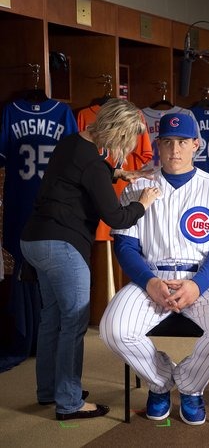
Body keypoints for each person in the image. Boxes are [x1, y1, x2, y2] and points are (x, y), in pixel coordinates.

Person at [100, 112, 209, 425]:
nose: (175, 149)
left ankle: (190, 385)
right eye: (167, 142)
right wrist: (149, 281)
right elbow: (126, 246)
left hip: (201, 278)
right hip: (151, 277)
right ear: (158, 145)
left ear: (196, 144)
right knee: (113, 330)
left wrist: (197, 285)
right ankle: (160, 381)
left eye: (182, 141)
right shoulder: (138, 186)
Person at [20, 98, 161, 421]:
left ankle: (49, 390)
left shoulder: (72, 144)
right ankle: (68, 402)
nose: (124, 146)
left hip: (34, 240)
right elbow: (116, 217)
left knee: (52, 317)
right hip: (61, 246)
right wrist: (144, 201)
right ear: (116, 130)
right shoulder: (94, 164)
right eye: (126, 139)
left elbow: (78, 175)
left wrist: (116, 173)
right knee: (74, 321)